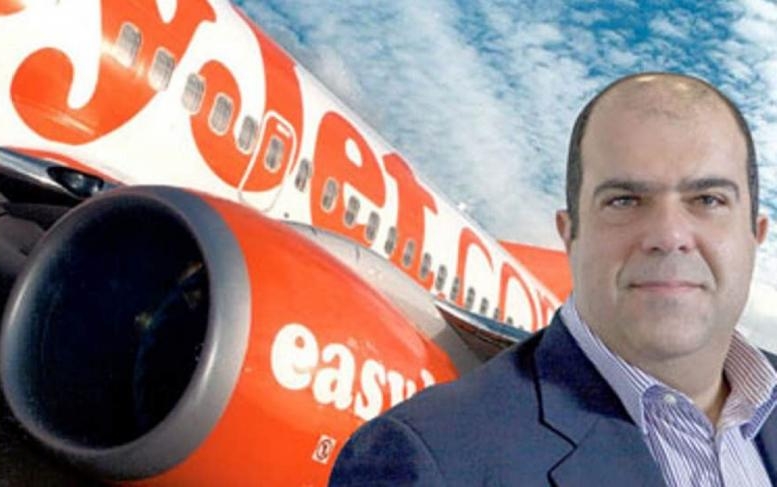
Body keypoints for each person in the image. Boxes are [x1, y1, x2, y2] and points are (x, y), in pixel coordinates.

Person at [329, 72, 777, 486]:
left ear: (755, 234)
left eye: (708, 200)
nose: (669, 235)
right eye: (624, 200)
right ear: (570, 234)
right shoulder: (427, 460)